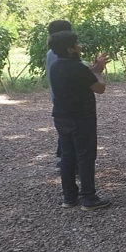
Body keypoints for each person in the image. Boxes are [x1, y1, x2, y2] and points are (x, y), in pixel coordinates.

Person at [48, 30, 111, 211]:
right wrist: (98, 72)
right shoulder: (77, 68)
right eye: (76, 44)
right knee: (85, 156)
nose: (79, 46)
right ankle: (89, 198)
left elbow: (80, 78)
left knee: (68, 156)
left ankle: (69, 197)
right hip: (82, 118)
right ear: (70, 49)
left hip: (61, 116)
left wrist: (92, 70)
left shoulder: (56, 65)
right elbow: (100, 88)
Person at [45, 20, 72, 165]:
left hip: (58, 97)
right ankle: (67, 161)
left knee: (65, 129)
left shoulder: (52, 53)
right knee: (70, 130)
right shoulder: (60, 55)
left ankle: (64, 157)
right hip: (65, 98)